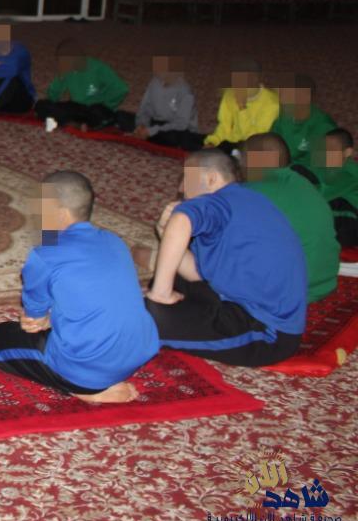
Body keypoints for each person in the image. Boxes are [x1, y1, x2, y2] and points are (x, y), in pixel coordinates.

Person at [0, 171, 158, 403]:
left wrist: (39, 318)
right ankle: (93, 378)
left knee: (0, 339)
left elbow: (33, 319)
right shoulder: (114, 241)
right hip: (138, 352)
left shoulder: (45, 254)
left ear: (59, 213)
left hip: (87, 366)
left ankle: (84, 389)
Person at [144, 149, 305, 366]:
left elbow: (182, 219)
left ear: (212, 179)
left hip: (266, 331)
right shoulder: (243, 200)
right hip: (236, 300)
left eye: (187, 178)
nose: (181, 188)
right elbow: (196, 273)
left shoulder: (220, 203)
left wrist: (160, 293)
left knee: (140, 323)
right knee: (171, 279)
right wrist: (166, 233)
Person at [243, 133, 339, 303]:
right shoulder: (303, 183)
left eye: (243, 157)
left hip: (287, 293)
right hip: (324, 282)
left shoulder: (253, 193)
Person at [33, 40, 129, 132]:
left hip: (94, 109)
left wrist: (106, 104)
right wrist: (60, 78)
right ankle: (77, 124)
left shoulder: (97, 68)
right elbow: (52, 97)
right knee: (41, 105)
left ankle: (78, 123)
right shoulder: (67, 69)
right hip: (77, 108)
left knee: (98, 112)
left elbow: (121, 88)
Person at [128, 55, 205, 151]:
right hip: (156, 124)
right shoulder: (154, 82)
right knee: (122, 117)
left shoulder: (185, 92)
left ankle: (149, 136)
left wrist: (151, 131)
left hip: (177, 129)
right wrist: (142, 125)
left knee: (175, 139)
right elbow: (145, 108)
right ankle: (146, 135)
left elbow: (181, 124)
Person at [203, 59, 279, 154]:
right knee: (192, 142)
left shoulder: (271, 104)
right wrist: (212, 142)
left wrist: (242, 108)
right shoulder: (230, 94)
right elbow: (224, 125)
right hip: (231, 143)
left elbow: (254, 139)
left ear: (255, 79)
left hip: (254, 147)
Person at [269, 75, 335, 166]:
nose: (282, 101)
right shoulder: (282, 117)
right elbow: (272, 141)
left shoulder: (323, 126)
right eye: (281, 96)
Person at [318, 128, 358, 248]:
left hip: (351, 221)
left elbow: (321, 194)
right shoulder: (331, 170)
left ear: (347, 152)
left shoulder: (349, 172)